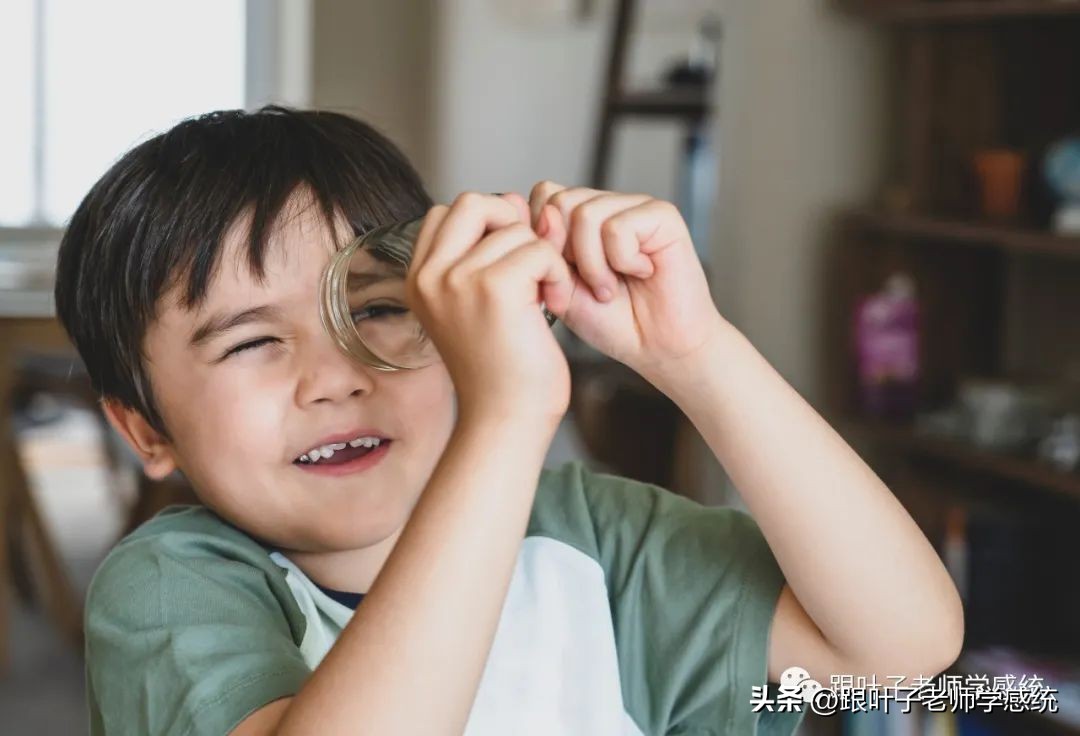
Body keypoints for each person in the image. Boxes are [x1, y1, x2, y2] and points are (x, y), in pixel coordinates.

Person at [55, 106, 963, 735]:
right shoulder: (171, 591)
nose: (334, 378)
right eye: (251, 344)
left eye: (374, 310)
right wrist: (502, 421)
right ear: (146, 432)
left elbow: (899, 651)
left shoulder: (593, 544)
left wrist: (697, 356)